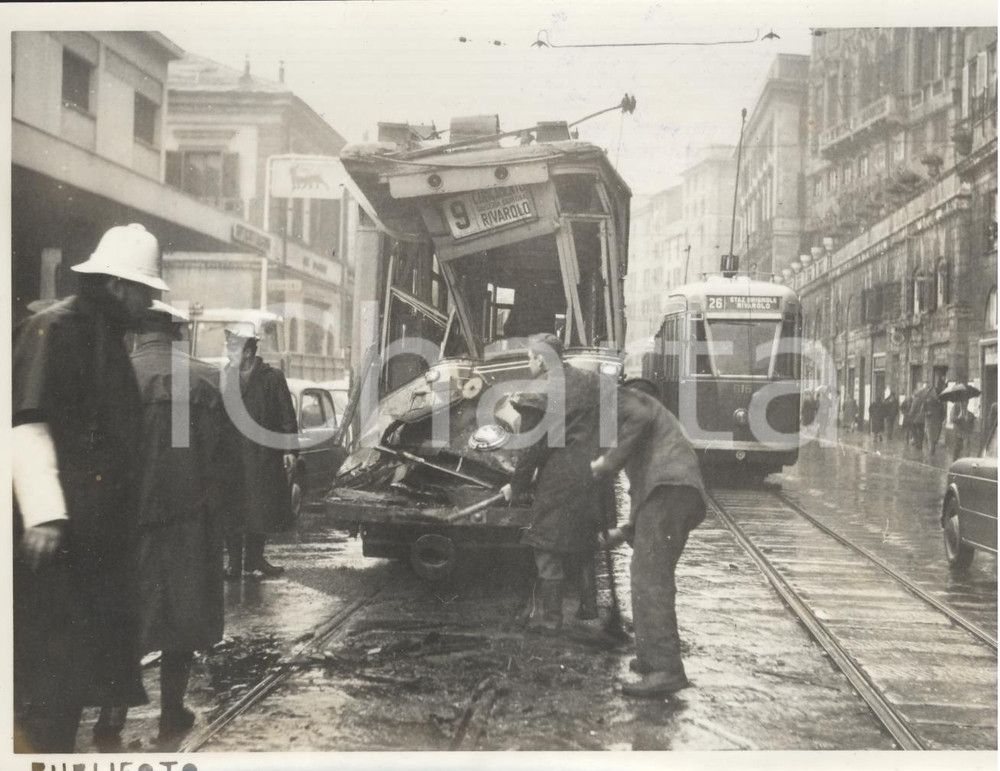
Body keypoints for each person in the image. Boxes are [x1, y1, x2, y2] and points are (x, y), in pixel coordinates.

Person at [12, 224, 165, 752]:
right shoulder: (54, 328)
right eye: (146, 290)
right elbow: (26, 423)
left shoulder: (102, 336)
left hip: (94, 538)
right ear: (118, 285)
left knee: (74, 676)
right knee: (49, 682)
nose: (149, 302)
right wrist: (45, 515)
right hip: (60, 539)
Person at [129, 301, 229, 740]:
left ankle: (113, 715)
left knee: (128, 612)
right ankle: (172, 709)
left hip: (131, 521)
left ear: (139, 331)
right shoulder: (207, 377)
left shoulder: (117, 374)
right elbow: (222, 462)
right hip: (190, 520)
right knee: (183, 612)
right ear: (177, 332)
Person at [590, 384, 707, 698]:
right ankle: (651, 657)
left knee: (649, 578)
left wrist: (606, 463)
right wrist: (625, 532)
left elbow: (638, 419)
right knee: (648, 572)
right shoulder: (647, 423)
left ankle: (666, 670)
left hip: (669, 489)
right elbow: (641, 491)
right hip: (672, 491)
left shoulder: (619, 397)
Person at [502, 333, 609, 634]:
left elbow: (531, 449)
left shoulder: (539, 390)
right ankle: (589, 608)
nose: (529, 365)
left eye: (529, 359)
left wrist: (516, 486)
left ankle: (551, 622)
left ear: (540, 359)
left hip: (560, 478)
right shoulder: (591, 381)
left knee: (547, 547)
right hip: (594, 473)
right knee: (585, 540)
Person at [222, 323, 299, 578]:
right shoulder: (226, 376)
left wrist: (289, 450)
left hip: (263, 455)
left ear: (248, 352)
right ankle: (234, 563)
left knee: (260, 506)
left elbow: (287, 414)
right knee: (233, 507)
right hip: (232, 456)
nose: (227, 352)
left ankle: (254, 559)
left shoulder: (272, 377)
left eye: (232, 347)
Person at [924, 377, 947, 455]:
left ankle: (932, 449)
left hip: (937, 423)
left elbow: (943, 412)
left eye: (937, 394)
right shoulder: (927, 402)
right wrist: (927, 413)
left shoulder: (940, 404)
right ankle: (931, 452)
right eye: (934, 394)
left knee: (936, 438)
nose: (936, 395)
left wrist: (942, 419)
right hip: (930, 422)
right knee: (931, 438)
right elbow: (922, 410)